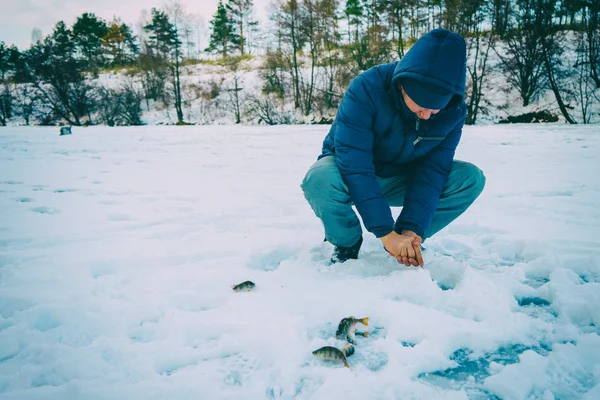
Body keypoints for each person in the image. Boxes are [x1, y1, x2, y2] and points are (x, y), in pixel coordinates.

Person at [300, 28, 486, 266]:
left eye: (435, 109)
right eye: (420, 107)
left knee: (470, 178)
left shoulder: (454, 111)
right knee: (319, 178)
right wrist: (384, 232)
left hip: (401, 178)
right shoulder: (367, 88)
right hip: (349, 174)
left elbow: (433, 171)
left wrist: (410, 228)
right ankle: (346, 243)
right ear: (403, 86)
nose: (427, 116)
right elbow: (355, 163)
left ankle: (409, 241)